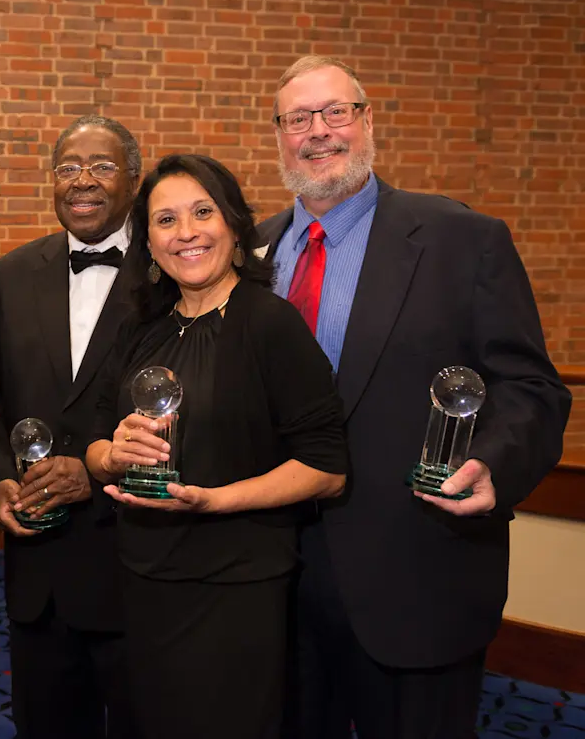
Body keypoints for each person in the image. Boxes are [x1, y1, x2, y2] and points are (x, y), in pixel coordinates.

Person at [260, 55, 572, 739]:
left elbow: (532, 388)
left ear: (368, 120)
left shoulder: (462, 239)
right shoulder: (253, 252)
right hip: (274, 583)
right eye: (298, 118)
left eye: (336, 111)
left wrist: (493, 462)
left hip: (417, 577)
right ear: (278, 135)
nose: (319, 131)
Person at [84, 153, 349, 739]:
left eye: (202, 212)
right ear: (148, 243)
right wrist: (111, 456)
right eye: (166, 220)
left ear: (234, 225)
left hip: (235, 587)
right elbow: (95, 441)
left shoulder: (270, 324)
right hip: (142, 578)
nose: (186, 233)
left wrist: (215, 500)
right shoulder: (139, 328)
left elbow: (327, 468)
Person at [0, 115, 141, 738]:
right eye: (67, 167)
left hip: (137, 567)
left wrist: (97, 474)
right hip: (37, 568)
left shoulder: (172, 268)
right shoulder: (12, 274)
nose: (81, 181)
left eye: (101, 166)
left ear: (134, 179)